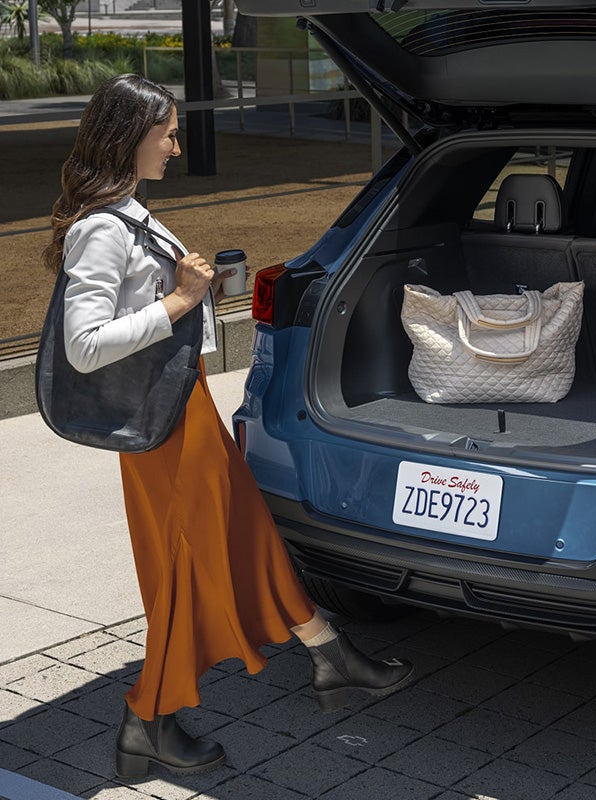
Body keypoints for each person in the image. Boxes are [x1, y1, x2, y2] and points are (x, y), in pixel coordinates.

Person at [43, 74, 414, 780]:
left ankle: (328, 651)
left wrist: (203, 293)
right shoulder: (99, 229)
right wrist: (183, 301)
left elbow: (155, 303)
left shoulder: (127, 213)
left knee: (243, 530)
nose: (177, 148)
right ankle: (147, 719)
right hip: (158, 428)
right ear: (129, 137)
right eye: (168, 135)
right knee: (185, 566)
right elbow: (82, 344)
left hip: (185, 409)